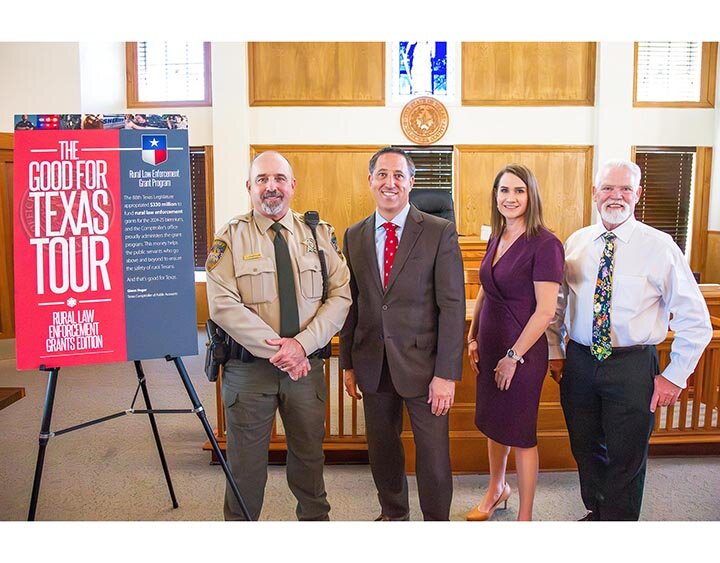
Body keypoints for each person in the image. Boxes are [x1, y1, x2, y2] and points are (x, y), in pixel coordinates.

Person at [547, 159, 713, 521]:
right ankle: (598, 510)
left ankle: (618, 529)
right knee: (585, 446)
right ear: (594, 193)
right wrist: (554, 351)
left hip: (632, 365)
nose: (616, 196)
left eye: (625, 189)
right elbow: (558, 304)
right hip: (580, 362)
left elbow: (696, 320)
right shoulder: (577, 242)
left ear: (638, 195)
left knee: (627, 454)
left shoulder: (660, 247)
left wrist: (674, 375)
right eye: (608, 187)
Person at [206, 151, 352, 521]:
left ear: (292, 185)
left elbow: (341, 294)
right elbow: (222, 304)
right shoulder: (231, 237)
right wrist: (281, 349)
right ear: (249, 187)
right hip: (249, 371)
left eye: (279, 179)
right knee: (245, 465)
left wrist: (301, 346)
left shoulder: (319, 234)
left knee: (309, 459)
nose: (271, 187)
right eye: (262, 180)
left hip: (305, 370)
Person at [339, 147, 465, 521]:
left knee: (433, 455)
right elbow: (353, 302)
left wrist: (446, 373)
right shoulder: (354, 234)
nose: (389, 182)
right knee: (382, 449)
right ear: (370, 181)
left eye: (398, 175)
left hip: (426, 368)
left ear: (411, 182)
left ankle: (436, 525)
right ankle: (394, 514)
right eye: (382, 174)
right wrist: (347, 363)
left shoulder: (439, 231)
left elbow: (453, 307)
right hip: (373, 363)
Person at [465, 164, 564, 521]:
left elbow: (545, 312)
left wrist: (512, 356)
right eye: (504, 190)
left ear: (531, 195)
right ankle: (496, 490)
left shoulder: (546, 244)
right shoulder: (497, 236)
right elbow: (485, 292)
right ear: (496, 196)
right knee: (494, 423)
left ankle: (525, 517)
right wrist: (472, 336)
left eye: (518, 190)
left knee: (520, 432)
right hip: (490, 346)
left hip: (521, 353)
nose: (510, 197)